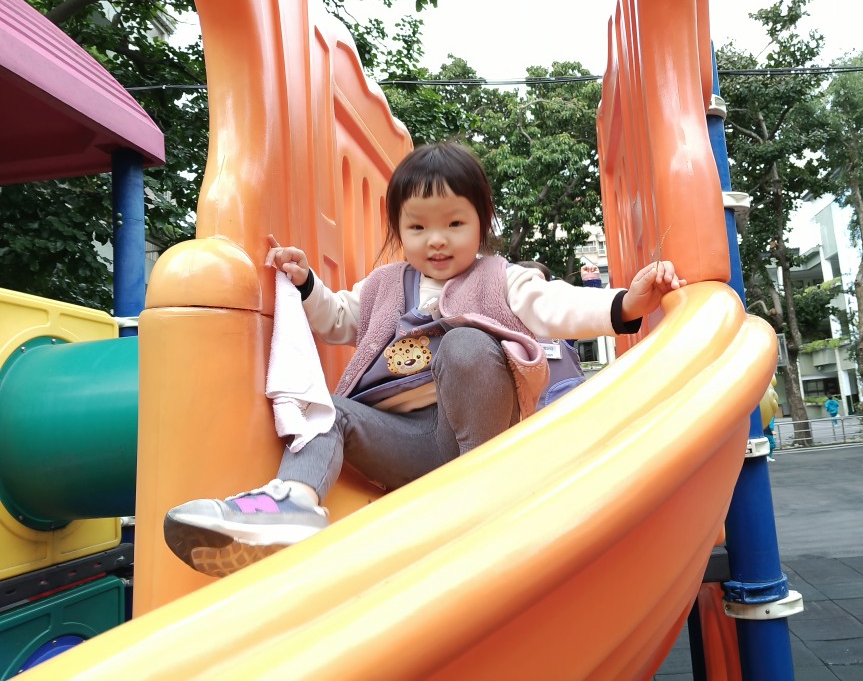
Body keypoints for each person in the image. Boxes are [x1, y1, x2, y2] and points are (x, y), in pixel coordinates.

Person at [162, 142, 683, 577]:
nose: (436, 240)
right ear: (399, 228)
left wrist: (626, 304)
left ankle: (481, 492)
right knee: (326, 410)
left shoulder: (501, 278)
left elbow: (556, 306)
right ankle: (294, 503)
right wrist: (305, 283)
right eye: (417, 228)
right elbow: (340, 319)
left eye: (454, 223)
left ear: (481, 224)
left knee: (466, 343)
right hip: (406, 445)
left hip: (475, 438)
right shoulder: (385, 285)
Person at [517, 260, 586, 409]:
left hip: (574, 406)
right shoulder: (510, 332)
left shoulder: (560, 325)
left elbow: (589, 315)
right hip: (535, 414)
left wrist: (591, 281)